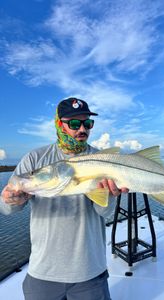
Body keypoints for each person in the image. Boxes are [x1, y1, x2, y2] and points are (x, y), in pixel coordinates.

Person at [0, 97, 129, 300]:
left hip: (89, 272)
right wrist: (9, 199)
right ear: (59, 124)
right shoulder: (35, 159)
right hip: (43, 273)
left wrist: (110, 195)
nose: (82, 129)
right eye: (75, 123)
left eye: (88, 123)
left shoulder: (103, 159)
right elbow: (7, 210)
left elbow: (104, 212)